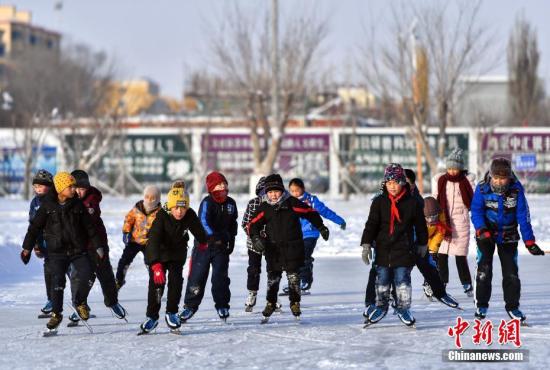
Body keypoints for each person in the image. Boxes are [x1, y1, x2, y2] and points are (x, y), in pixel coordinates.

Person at [21, 172, 99, 334]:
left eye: (74, 186)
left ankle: (80, 302)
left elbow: (90, 228)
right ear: (61, 188)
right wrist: (27, 247)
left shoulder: (78, 205)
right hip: (56, 252)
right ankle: (56, 314)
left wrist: (99, 246)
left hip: (77, 250)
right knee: (58, 283)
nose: (74, 189)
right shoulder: (47, 206)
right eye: (70, 186)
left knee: (87, 275)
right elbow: (34, 228)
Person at [471, 157, 544, 323]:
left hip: (508, 235)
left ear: (509, 177)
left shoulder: (516, 190)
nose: (498, 181)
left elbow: (523, 216)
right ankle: (481, 305)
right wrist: (482, 229)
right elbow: (476, 211)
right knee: (484, 270)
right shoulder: (482, 189)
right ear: (491, 175)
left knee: (511, 273)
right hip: (486, 234)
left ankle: (513, 307)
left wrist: (529, 242)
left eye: (502, 178)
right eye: (496, 177)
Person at [248, 174, 329, 321]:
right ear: (266, 193)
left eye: (276, 191)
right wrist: (255, 238)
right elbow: (252, 224)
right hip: (273, 249)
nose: (273, 195)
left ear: (282, 190)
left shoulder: (291, 202)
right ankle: (271, 303)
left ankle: (295, 302)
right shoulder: (265, 207)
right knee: (273, 278)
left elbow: (310, 213)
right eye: (270, 192)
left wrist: (321, 227)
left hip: (293, 247)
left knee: (294, 277)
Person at [361, 164, 428, 327]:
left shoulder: (412, 203)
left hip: (404, 250)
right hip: (383, 250)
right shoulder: (378, 202)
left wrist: (423, 243)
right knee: (382, 281)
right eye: (389, 183)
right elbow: (371, 224)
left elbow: (420, 225)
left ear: (402, 183)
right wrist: (366, 244)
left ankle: (403, 308)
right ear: (385, 184)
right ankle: (381, 307)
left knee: (402, 282)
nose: (392, 186)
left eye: (396, 182)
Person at [140, 187, 207, 333]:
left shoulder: (189, 215)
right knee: (157, 284)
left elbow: (198, 230)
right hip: (160, 255)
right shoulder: (161, 217)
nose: (179, 211)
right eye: (176, 207)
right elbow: (153, 242)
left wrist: (204, 242)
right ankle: (152, 316)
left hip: (177, 254)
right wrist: (155, 265)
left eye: (183, 207)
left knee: (176, 283)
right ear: (170, 207)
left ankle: (171, 312)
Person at [68, 170, 126, 324]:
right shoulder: (68, 199)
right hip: (79, 247)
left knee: (105, 274)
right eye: (76, 189)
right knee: (78, 276)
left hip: (97, 244)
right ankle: (79, 305)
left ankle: (112, 302)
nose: (79, 192)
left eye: (82, 189)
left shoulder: (90, 202)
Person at [180, 171, 238, 322]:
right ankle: (190, 306)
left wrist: (231, 239)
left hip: (221, 248)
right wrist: (213, 237)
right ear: (212, 188)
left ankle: (222, 305)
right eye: (219, 185)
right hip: (204, 246)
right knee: (197, 276)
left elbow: (233, 223)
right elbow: (203, 222)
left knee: (220, 278)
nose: (223, 187)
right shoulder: (207, 202)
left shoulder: (231, 203)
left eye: (224, 184)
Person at [287, 178, 345, 293]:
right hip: (295, 235)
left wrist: (339, 220)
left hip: (310, 233)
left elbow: (325, 211)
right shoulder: (288, 202)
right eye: (292, 191)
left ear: (302, 189)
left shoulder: (311, 201)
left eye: (297, 190)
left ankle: (306, 281)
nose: (294, 193)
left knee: (304, 255)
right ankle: (295, 283)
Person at [432, 148, 475, 296]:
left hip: (461, 223)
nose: (452, 171)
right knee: (441, 255)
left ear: (460, 168)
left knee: (460, 256)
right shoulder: (441, 181)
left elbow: (474, 200)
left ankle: (467, 284)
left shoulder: (467, 182)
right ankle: (442, 283)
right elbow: (435, 198)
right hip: (444, 222)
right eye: (449, 168)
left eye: (455, 169)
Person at [116, 185, 162, 290]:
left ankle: (154, 285)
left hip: (149, 243)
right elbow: (128, 219)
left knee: (151, 263)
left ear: (158, 199)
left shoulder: (159, 213)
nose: (149, 200)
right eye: (147, 197)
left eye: (153, 198)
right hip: (134, 240)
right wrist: (126, 231)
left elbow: (162, 227)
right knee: (124, 261)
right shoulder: (137, 209)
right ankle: (119, 280)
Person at [28, 169, 54, 316]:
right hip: (45, 243)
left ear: (49, 186)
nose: (38, 188)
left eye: (41, 185)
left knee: (72, 273)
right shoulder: (34, 202)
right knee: (49, 271)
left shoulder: (56, 199)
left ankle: (80, 303)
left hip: (61, 243)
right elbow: (33, 224)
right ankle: (51, 300)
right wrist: (36, 245)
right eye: (35, 185)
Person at [241, 176, 267, 311]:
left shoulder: (279, 204)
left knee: (274, 270)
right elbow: (245, 223)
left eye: (269, 191)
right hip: (254, 243)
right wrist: (255, 237)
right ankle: (252, 293)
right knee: (253, 269)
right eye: (263, 191)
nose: (267, 194)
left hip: (272, 243)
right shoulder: (253, 204)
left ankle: (272, 296)